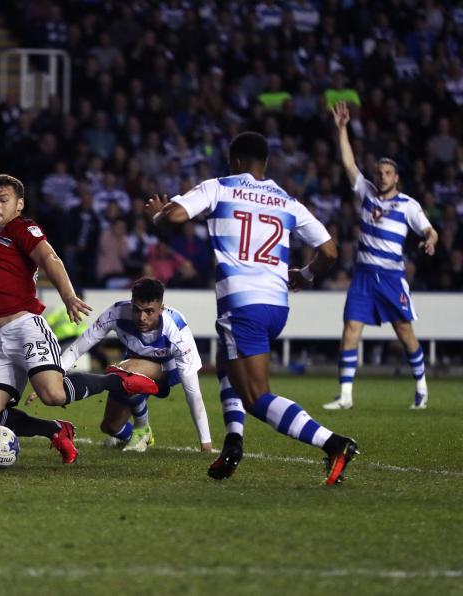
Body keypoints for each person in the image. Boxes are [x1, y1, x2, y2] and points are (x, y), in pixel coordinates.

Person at [143, 131, 358, 485]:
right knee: (229, 366)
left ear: (237, 162)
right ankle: (233, 442)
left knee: (257, 396)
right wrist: (304, 276)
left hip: (242, 305)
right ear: (266, 164)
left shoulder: (220, 187)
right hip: (276, 305)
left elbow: (177, 216)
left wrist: (158, 216)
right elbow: (331, 251)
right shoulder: (287, 201)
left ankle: (334, 443)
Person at [0, 174, 160, 465]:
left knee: (53, 394)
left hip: (24, 328)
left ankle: (116, 380)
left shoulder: (23, 227)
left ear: (20, 204)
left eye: (3, 200)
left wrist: (68, 296)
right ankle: (56, 430)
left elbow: (50, 258)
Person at [323, 102, 438, 411]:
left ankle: (422, 388)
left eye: (387, 173)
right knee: (350, 329)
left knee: (404, 333)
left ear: (396, 177)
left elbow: (430, 230)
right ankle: (345, 396)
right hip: (362, 276)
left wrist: (430, 239)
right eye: (379, 172)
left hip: (390, 277)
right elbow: (349, 164)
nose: (383, 176)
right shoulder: (367, 193)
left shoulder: (408, 205)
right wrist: (342, 128)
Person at [53, 277, 213, 453]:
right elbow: (77, 349)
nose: (141, 317)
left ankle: (142, 427)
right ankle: (137, 435)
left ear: (161, 309)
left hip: (168, 368)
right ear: (131, 303)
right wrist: (53, 376)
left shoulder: (178, 334)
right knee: (110, 427)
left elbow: (193, 394)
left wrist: (206, 443)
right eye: (136, 310)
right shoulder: (116, 313)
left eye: (149, 311)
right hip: (132, 365)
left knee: (125, 371)